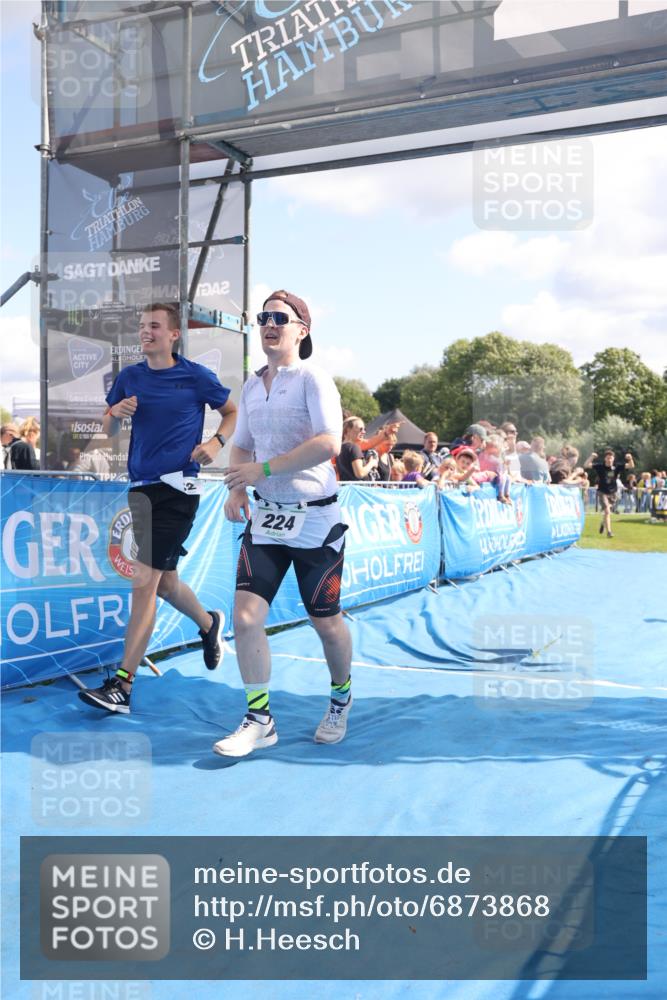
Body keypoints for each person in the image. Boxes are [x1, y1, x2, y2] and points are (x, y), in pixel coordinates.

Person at [213, 289, 353, 758]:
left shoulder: (315, 379)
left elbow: (328, 444)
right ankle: (259, 718)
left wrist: (264, 470)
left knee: (326, 623)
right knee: (246, 616)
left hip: (314, 520)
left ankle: (339, 698)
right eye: (263, 318)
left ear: (301, 329)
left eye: (280, 318)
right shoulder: (252, 385)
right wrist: (237, 486)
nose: (269, 324)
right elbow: (243, 446)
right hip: (267, 522)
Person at [78, 302, 237, 714]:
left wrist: (216, 443)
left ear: (173, 335)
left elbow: (232, 412)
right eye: (141, 326)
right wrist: (114, 412)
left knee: (144, 583)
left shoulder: (195, 376)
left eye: (153, 326)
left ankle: (123, 686)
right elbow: (108, 427)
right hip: (141, 490)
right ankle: (209, 624)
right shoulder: (130, 377)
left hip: (178, 491)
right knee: (164, 584)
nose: (145, 332)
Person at [583, 448, 635, 537]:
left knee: (607, 511)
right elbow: (586, 465)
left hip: (613, 492)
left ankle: (603, 523)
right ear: (605, 459)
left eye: (611, 458)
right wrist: (592, 457)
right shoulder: (600, 466)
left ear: (613, 459)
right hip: (602, 492)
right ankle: (609, 532)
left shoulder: (617, 467)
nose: (609, 459)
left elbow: (631, 466)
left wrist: (630, 458)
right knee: (607, 511)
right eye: (607, 458)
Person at [336, 417, 379, 481]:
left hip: (347, 488)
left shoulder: (339, 448)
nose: (364, 432)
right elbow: (360, 474)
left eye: (365, 429)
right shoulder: (353, 447)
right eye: (361, 429)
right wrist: (372, 463)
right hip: (358, 489)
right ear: (348, 430)